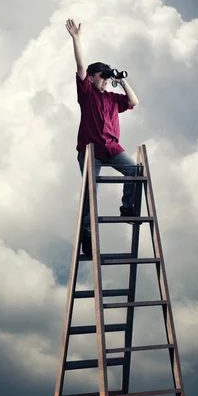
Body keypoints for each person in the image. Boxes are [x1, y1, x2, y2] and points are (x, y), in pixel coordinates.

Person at [65, 18, 139, 257]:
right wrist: (76, 39)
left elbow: (133, 102)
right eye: (102, 78)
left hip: (111, 148)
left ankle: (127, 209)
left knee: (135, 171)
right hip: (90, 151)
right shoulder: (86, 92)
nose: (105, 82)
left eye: (107, 79)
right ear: (92, 77)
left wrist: (122, 81)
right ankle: (87, 236)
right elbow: (80, 67)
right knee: (90, 193)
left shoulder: (112, 98)